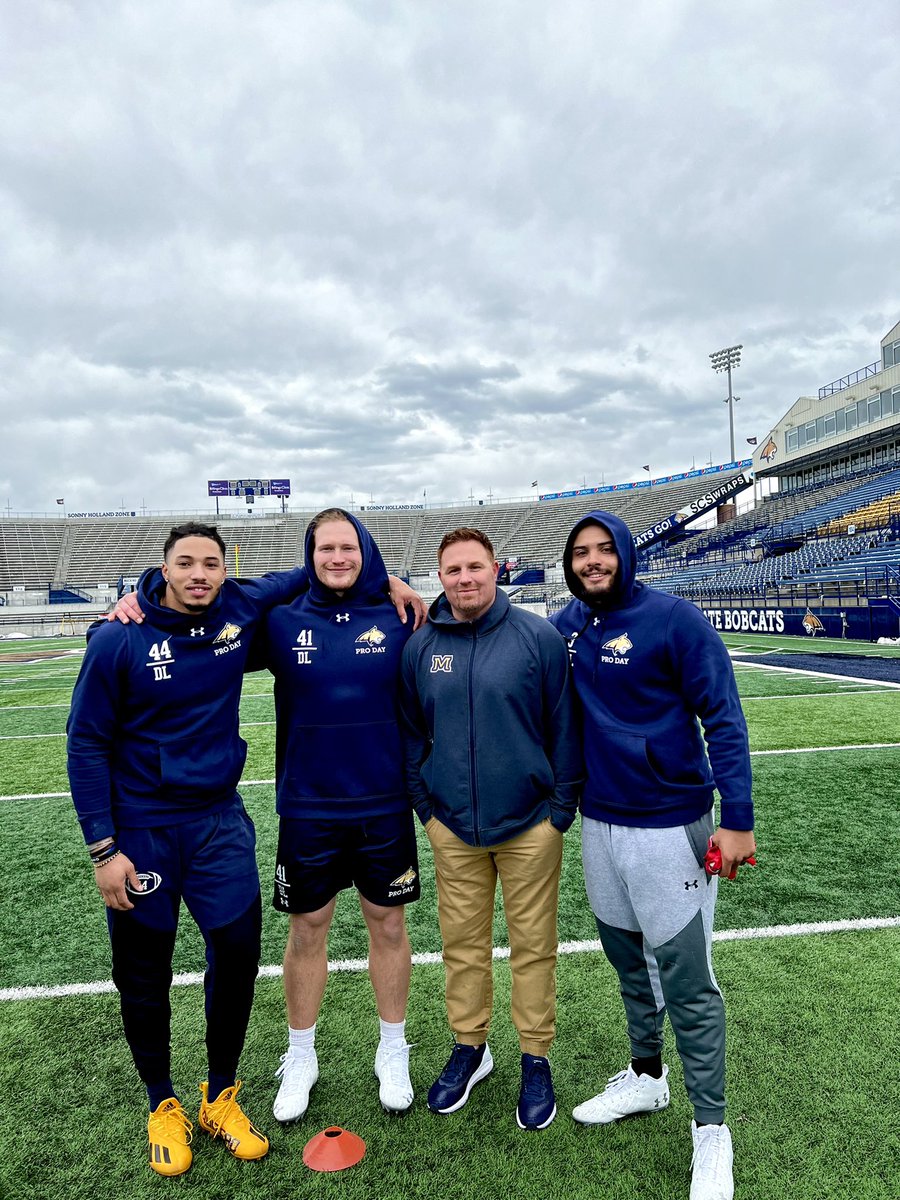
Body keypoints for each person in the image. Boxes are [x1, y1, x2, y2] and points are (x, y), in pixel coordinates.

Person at [66, 522, 303, 1176]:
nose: (199, 574)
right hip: (141, 831)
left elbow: (314, 568)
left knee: (236, 952)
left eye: (211, 564)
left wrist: (389, 579)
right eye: (186, 563)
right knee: (144, 972)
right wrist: (102, 849)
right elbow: (85, 744)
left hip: (218, 823)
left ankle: (219, 1095)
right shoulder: (119, 637)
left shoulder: (238, 610)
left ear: (225, 570)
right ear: (165, 568)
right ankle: (160, 1101)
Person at [549, 511, 756, 1200]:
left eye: (605, 549)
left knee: (689, 983)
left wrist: (738, 821)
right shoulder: (568, 626)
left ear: (626, 554)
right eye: (581, 553)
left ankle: (712, 1133)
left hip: (672, 823)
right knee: (629, 966)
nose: (593, 561)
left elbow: (723, 716)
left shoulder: (675, 620)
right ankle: (646, 1078)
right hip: (599, 824)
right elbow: (497, 632)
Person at [400, 527, 582, 1131]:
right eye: (453, 571)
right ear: (440, 576)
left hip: (531, 824)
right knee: (462, 947)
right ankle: (471, 1047)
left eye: (474, 567)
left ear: (496, 569)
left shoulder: (538, 637)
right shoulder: (421, 646)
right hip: (452, 827)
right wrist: (426, 807)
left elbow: (564, 727)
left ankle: (535, 1057)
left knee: (533, 948)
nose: (465, 579)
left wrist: (560, 814)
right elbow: (409, 732)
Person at [260, 509, 419, 1122]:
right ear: (309, 554)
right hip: (308, 805)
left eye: (348, 547)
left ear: (366, 550)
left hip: (383, 803)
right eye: (324, 548)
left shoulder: (401, 616)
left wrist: (394, 583)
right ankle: (301, 1054)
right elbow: (213, 610)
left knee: (388, 925)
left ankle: (393, 1047)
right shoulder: (280, 620)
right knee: (307, 928)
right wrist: (139, 597)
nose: (337, 558)